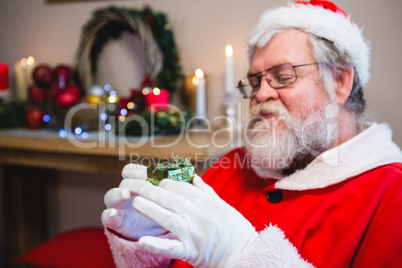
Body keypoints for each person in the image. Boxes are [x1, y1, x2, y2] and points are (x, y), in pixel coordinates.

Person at [101, 1, 402, 267]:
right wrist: (146, 238)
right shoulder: (235, 165)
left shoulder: (390, 194)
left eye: (283, 77)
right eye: (255, 81)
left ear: (340, 81)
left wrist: (240, 256)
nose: (261, 93)